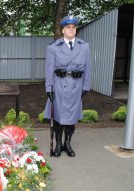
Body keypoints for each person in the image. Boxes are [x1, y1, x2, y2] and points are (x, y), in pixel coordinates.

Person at [44, 15, 91, 157]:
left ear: (76, 30)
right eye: (68, 27)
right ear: (63, 30)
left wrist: (86, 86)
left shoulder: (84, 46)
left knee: (71, 119)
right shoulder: (53, 48)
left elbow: (88, 67)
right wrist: (49, 88)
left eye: (73, 27)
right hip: (59, 87)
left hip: (76, 87)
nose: (71, 30)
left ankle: (67, 144)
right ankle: (58, 144)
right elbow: (49, 70)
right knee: (58, 118)